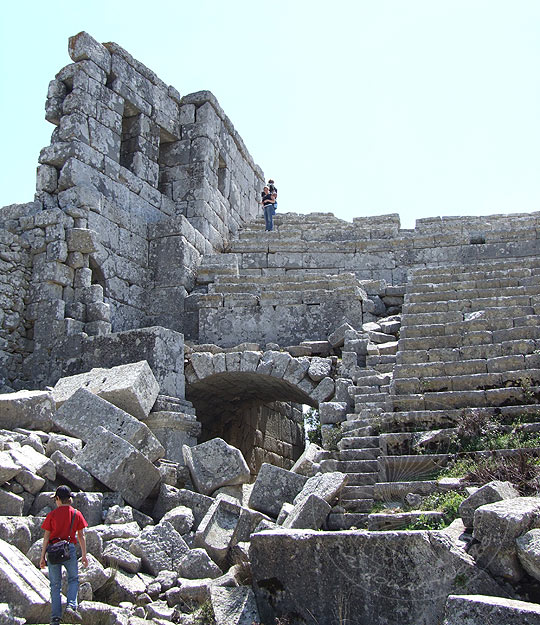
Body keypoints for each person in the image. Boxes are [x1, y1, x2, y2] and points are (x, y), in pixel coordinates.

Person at [40, 486, 88, 625]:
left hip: (53, 551)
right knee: (73, 579)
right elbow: (81, 535)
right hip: (69, 550)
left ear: (58, 499)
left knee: (55, 585)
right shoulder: (76, 514)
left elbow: (46, 537)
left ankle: (55, 619)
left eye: (55, 499)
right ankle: (71, 606)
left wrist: (42, 557)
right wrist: (84, 555)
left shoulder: (52, 515)